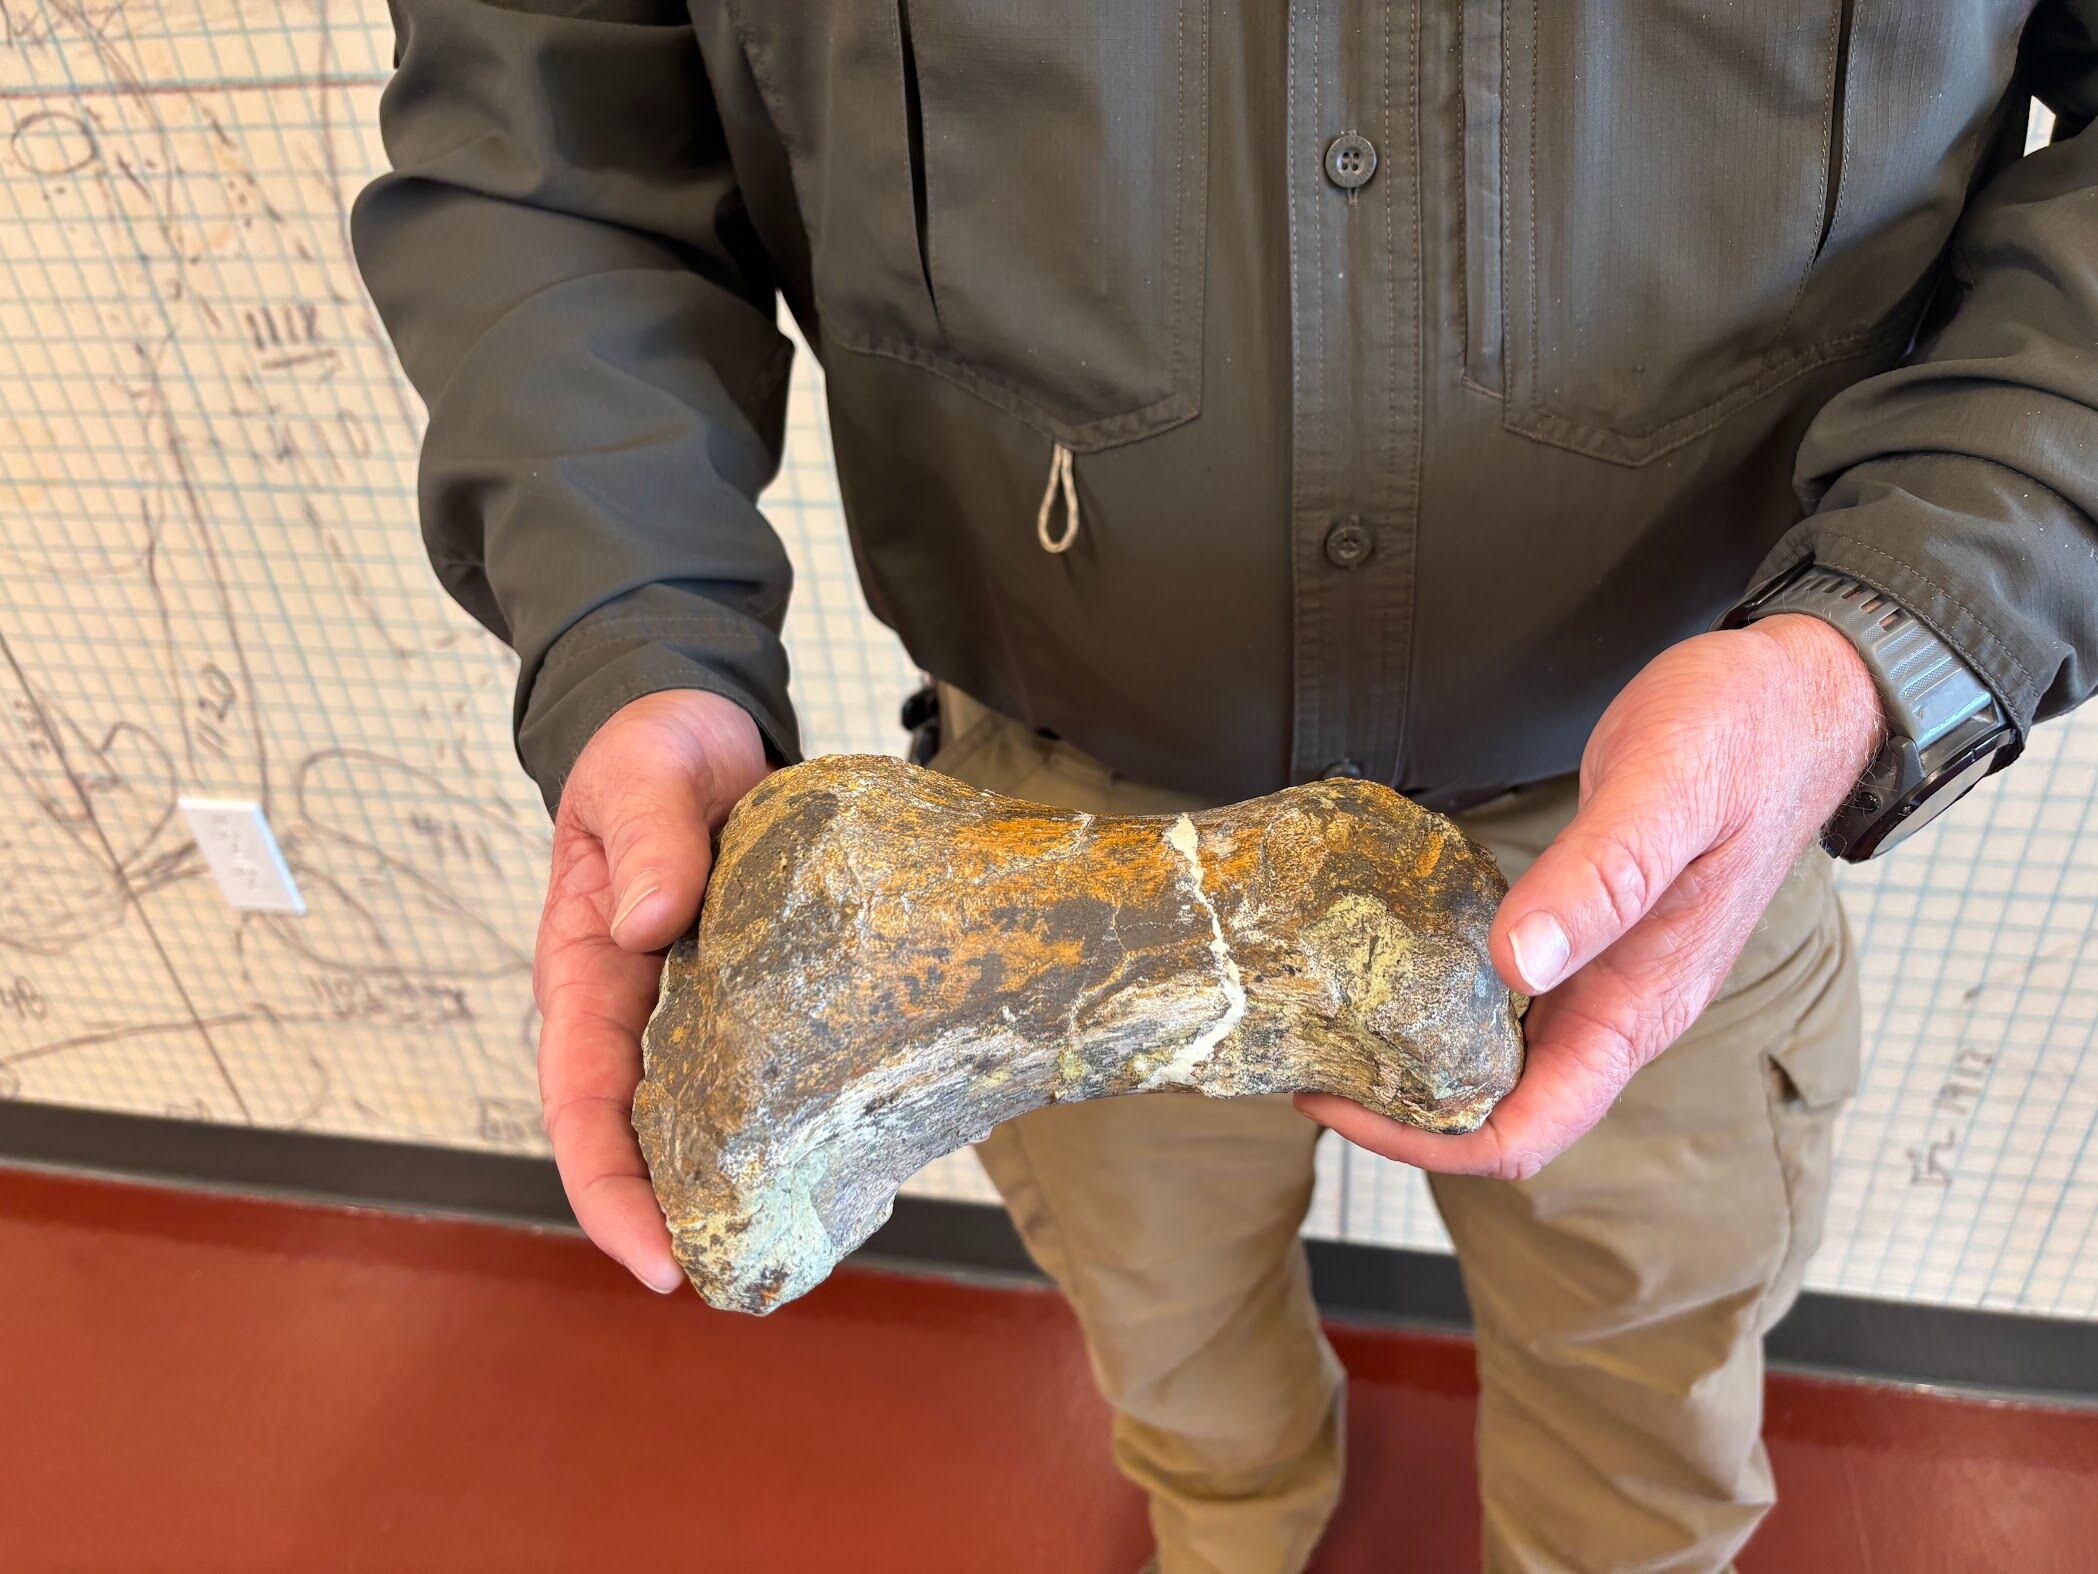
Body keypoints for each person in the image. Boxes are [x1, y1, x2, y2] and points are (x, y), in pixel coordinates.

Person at [353, 6, 2098, 1569]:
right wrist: (630, 633)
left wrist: (1874, 646)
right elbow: (547, 130)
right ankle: (1234, 1527)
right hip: (1032, 836)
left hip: (1672, 821)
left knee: (1646, 1385)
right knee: (1168, 1341)